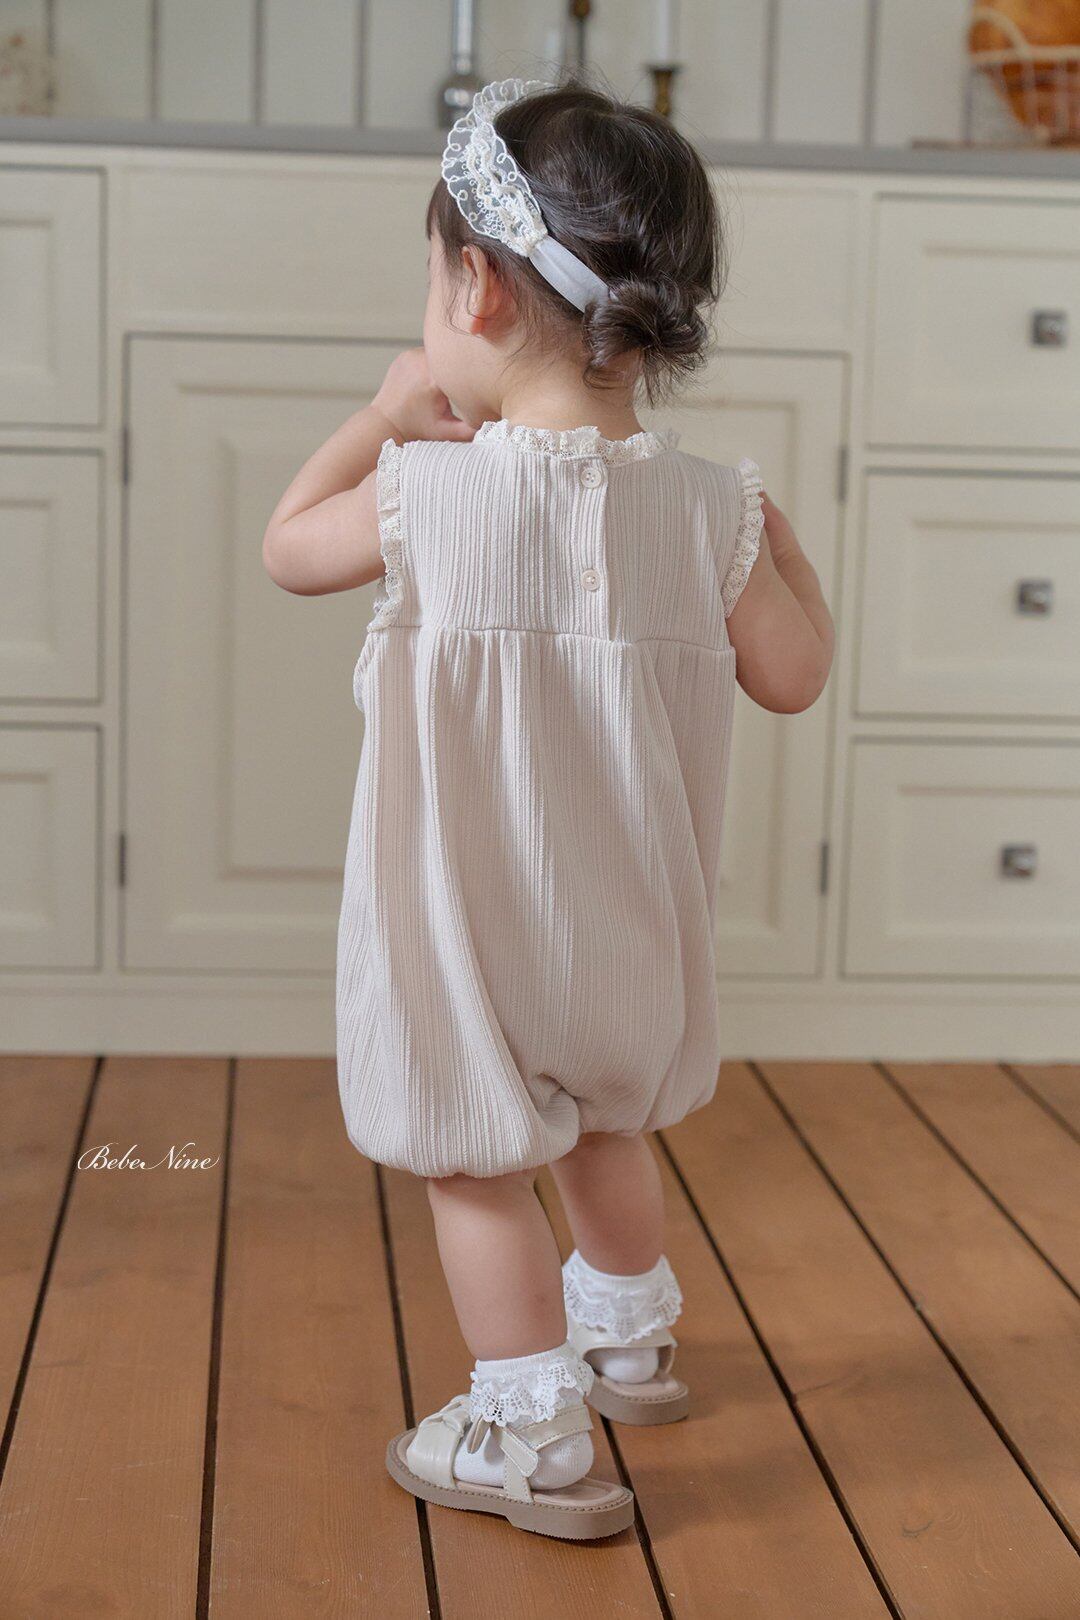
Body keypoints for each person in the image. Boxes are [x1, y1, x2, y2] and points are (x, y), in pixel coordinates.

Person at [263, 78, 833, 1541]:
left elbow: (288, 548)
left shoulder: (428, 492)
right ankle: (629, 1343)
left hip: (469, 932)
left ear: (475, 288)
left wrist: (380, 417)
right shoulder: (710, 509)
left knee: (473, 1161)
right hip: (628, 931)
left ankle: (532, 1434)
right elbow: (793, 676)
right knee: (600, 1126)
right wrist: (789, 561)